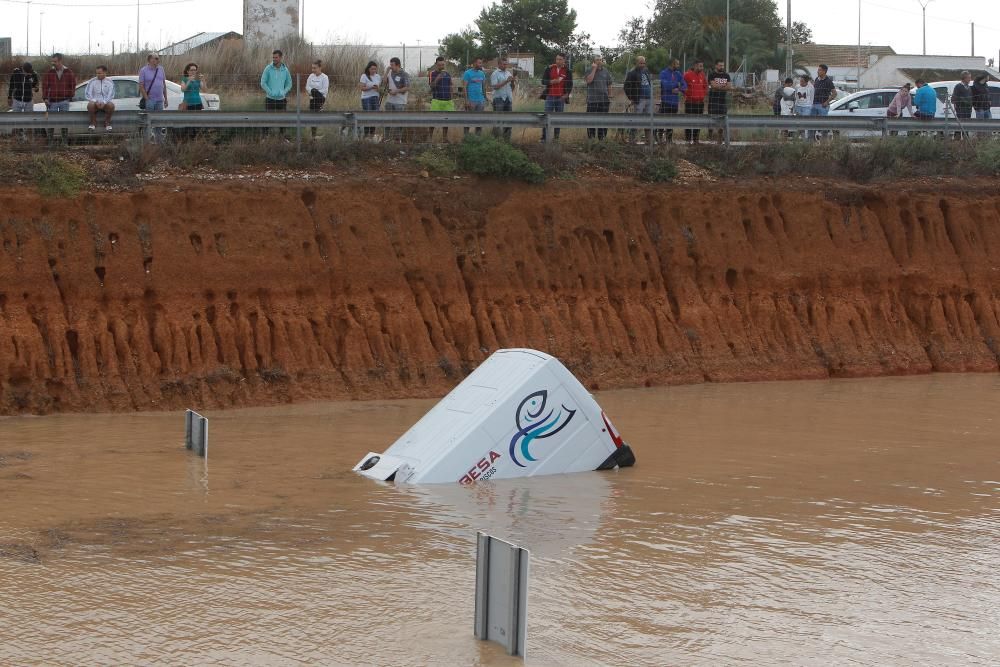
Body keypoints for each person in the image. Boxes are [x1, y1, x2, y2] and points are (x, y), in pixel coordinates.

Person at [42, 53, 76, 141]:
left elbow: (73, 85)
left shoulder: (68, 72)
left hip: (64, 101)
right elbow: (45, 85)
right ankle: (50, 142)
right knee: (51, 122)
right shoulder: (50, 72)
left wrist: (69, 96)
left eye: (55, 61)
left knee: (64, 122)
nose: (53, 63)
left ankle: (64, 142)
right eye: (52, 61)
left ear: (60, 61)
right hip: (52, 101)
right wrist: (45, 98)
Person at [540, 53, 572, 142]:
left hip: (561, 98)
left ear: (564, 60)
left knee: (558, 118)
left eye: (560, 59)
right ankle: (544, 138)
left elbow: (570, 84)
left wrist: (567, 94)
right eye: (557, 59)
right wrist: (551, 81)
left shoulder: (567, 71)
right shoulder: (549, 68)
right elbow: (543, 81)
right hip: (550, 96)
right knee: (547, 117)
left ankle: (556, 138)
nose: (558, 61)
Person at [624, 56, 654, 144]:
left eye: (644, 63)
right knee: (636, 120)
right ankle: (632, 140)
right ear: (636, 63)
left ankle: (648, 140)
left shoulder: (646, 71)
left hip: (648, 99)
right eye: (641, 63)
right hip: (639, 99)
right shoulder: (632, 73)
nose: (642, 65)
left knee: (648, 120)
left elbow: (649, 83)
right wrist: (632, 97)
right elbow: (626, 87)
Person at [658, 59, 686, 143]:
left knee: (671, 122)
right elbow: (665, 85)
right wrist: (677, 84)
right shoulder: (663, 73)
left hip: (674, 102)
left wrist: (679, 88)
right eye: (677, 64)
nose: (678, 66)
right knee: (663, 121)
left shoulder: (678, 74)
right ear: (672, 64)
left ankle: (669, 140)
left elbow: (685, 85)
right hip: (666, 101)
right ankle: (660, 138)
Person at [585, 56, 613, 140]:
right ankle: (591, 139)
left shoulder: (605, 71)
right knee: (591, 120)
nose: (599, 61)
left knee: (603, 120)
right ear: (593, 61)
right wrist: (594, 69)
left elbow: (609, 84)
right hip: (592, 100)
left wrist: (610, 94)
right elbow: (588, 81)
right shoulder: (589, 70)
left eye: (600, 60)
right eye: (597, 60)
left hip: (604, 100)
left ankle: (602, 138)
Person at [384, 57, 410, 142]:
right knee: (387, 120)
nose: (390, 66)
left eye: (392, 65)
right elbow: (384, 82)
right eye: (390, 65)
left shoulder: (404, 74)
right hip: (389, 101)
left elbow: (407, 87)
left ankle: (397, 140)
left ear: (398, 65)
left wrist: (397, 91)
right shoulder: (390, 72)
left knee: (398, 121)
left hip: (400, 102)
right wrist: (386, 71)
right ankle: (386, 138)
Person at [490, 58, 516, 140]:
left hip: (508, 98)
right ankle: (495, 139)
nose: (505, 66)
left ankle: (506, 140)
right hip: (499, 99)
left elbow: (512, 88)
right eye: (504, 64)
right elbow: (495, 87)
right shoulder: (495, 74)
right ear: (499, 64)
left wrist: (512, 82)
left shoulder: (508, 73)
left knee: (509, 120)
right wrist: (506, 81)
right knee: (498, 120)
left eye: (506, 64)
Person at [429, 56, 454, 141]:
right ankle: (430, 138)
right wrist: (438, 77)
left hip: (447, 100)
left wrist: (451, 97)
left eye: (443, 65)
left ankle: (444, 138)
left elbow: (451, 85)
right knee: (433, 120)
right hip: (437, 100)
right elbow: (432, 86)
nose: (441, 67)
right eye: (439, 65)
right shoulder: (432, 73)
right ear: (436, 64)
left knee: (446, 120)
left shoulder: (447, 74)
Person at [682, 59, 707, 144]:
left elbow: (705, 86)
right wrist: (687, 93)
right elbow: (682, 86)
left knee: (698, 121)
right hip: (690, 102)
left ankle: (696, 139)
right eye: (700, 66)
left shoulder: (702, 75)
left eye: (702, 66)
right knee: (688, 121)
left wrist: (702, 95)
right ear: (695, 66)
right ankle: (688, 140)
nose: (702, 68)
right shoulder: (687, 75)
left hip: (700, 103)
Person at [707, 59, 731, 143]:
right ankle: (710, 137)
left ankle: (720, 139)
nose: (722, 67)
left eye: (723, 65)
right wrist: (723, 86)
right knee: (711, 119)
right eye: (720, 65)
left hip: (722, 101)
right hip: (713, 101)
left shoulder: (726, 75)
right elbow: (713, 86)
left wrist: (718, 86)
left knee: (722, 120)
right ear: (716, 66)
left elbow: (729, 87)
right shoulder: (712, 75)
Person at [462, 57, 488, 135]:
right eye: (479, 63)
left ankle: (478, 138)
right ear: (474, 63)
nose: (481, 64)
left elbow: (483, 87)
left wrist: (485, 97)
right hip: (471, 101)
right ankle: (466, 137)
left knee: (480, 121)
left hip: (480, 100)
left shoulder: (482, 74)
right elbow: (464, 87)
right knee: (468, 120)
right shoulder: (467, 73)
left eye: (481, 63)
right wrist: (466, 100)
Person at [85, 65, 115, 132]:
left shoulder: (110, 82)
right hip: (95, 103)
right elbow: (88, 94)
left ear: (105, 72)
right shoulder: (92, 81)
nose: (97, 75)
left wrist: (104, 102)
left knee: (111, 105)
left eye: (99, 73)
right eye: (97, 73)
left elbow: (111, 94)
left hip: (105, 103)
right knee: (90, 105)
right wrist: (95, 101)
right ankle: (93, 123)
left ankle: (107, 123)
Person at [810, 64, 835, 139]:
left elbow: (834, 93)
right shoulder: (816, 79)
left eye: (820, 70)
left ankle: (824, 143)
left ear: (824, 71)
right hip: (814, 104)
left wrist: (827, 102)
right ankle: (811, 141)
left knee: (823, 124)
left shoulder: (828, 81)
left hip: (822, 105)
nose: (818, 71)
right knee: (811, 123)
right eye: (818, 70)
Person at [306, 59, 329, 138]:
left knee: (314, 91)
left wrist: (314, 91)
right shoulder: (311, 76)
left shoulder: (325, 77)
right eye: (312, 68)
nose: (313, 70)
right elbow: (307, 87)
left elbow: (325, 90)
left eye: (315, 68)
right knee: (313, 117)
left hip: (321, 98)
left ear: (320, 68)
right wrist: (312, 91)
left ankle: (320, 106)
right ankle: (313, 136)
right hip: (313, 99)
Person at [358, 60, 381, 139]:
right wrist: (371, 87)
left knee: (374, 116)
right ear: (368, 69)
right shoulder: (364, 76)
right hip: (366, 98)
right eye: (372, 69)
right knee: (368, 116)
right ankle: (366, 134)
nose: (374, 71)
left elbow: (379, 89)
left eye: (375, 69)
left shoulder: (378, 76)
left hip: (375, 97)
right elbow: (362, 88)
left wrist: (378, 88)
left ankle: (372, 134)